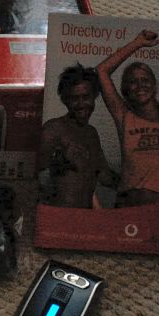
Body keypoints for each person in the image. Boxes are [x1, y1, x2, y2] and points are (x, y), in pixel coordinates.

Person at [96, 30, 159, 207]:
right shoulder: (125, 117)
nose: (140, 85)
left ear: (154, 85)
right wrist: (137, 43)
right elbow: (102, 71)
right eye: (133, 82)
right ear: (126, 91)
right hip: (125, 207)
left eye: (145, 80)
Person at [39, 64, 117, 208]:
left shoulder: (92, 133)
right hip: (58, 215)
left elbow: (105, 176)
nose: (81, 104)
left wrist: (137, 182)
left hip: (84, 216)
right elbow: (33, 170)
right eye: (74, 98)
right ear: (65, 100)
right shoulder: (54, 128)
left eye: (86, 97)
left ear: (94, 97)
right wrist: (59, 160)